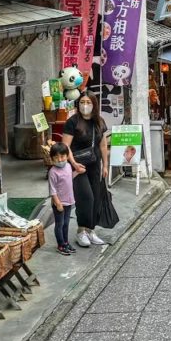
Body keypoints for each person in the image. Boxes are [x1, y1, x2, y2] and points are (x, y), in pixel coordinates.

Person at [61, 93, 109, 248]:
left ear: (94, 104)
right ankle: (81, 231)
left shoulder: (99, 121)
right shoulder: (72, 122)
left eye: (88, 102)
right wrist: (74, 164)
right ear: (78, 104)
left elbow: (103, 145)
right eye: (82, 102)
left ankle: (90, 230)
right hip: (78, 167)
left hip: (95, 165)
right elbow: (65, 146)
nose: (85, 105)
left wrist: (106, 166)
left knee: (95, 198)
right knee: (85, 198)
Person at [47, 143, 75, 255]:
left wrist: (77, 171)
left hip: (69, 201)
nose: (60, 159)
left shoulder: (68, 166)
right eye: (56, 157)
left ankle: (66, 242)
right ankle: (60, 245)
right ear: (52, 158)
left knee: (66, 223)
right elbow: (52, 190)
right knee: (60, 224)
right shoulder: (53, 172)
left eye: (62, 156)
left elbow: (70, 178)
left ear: (67, 156)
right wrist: (57, 203)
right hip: (59, 203)